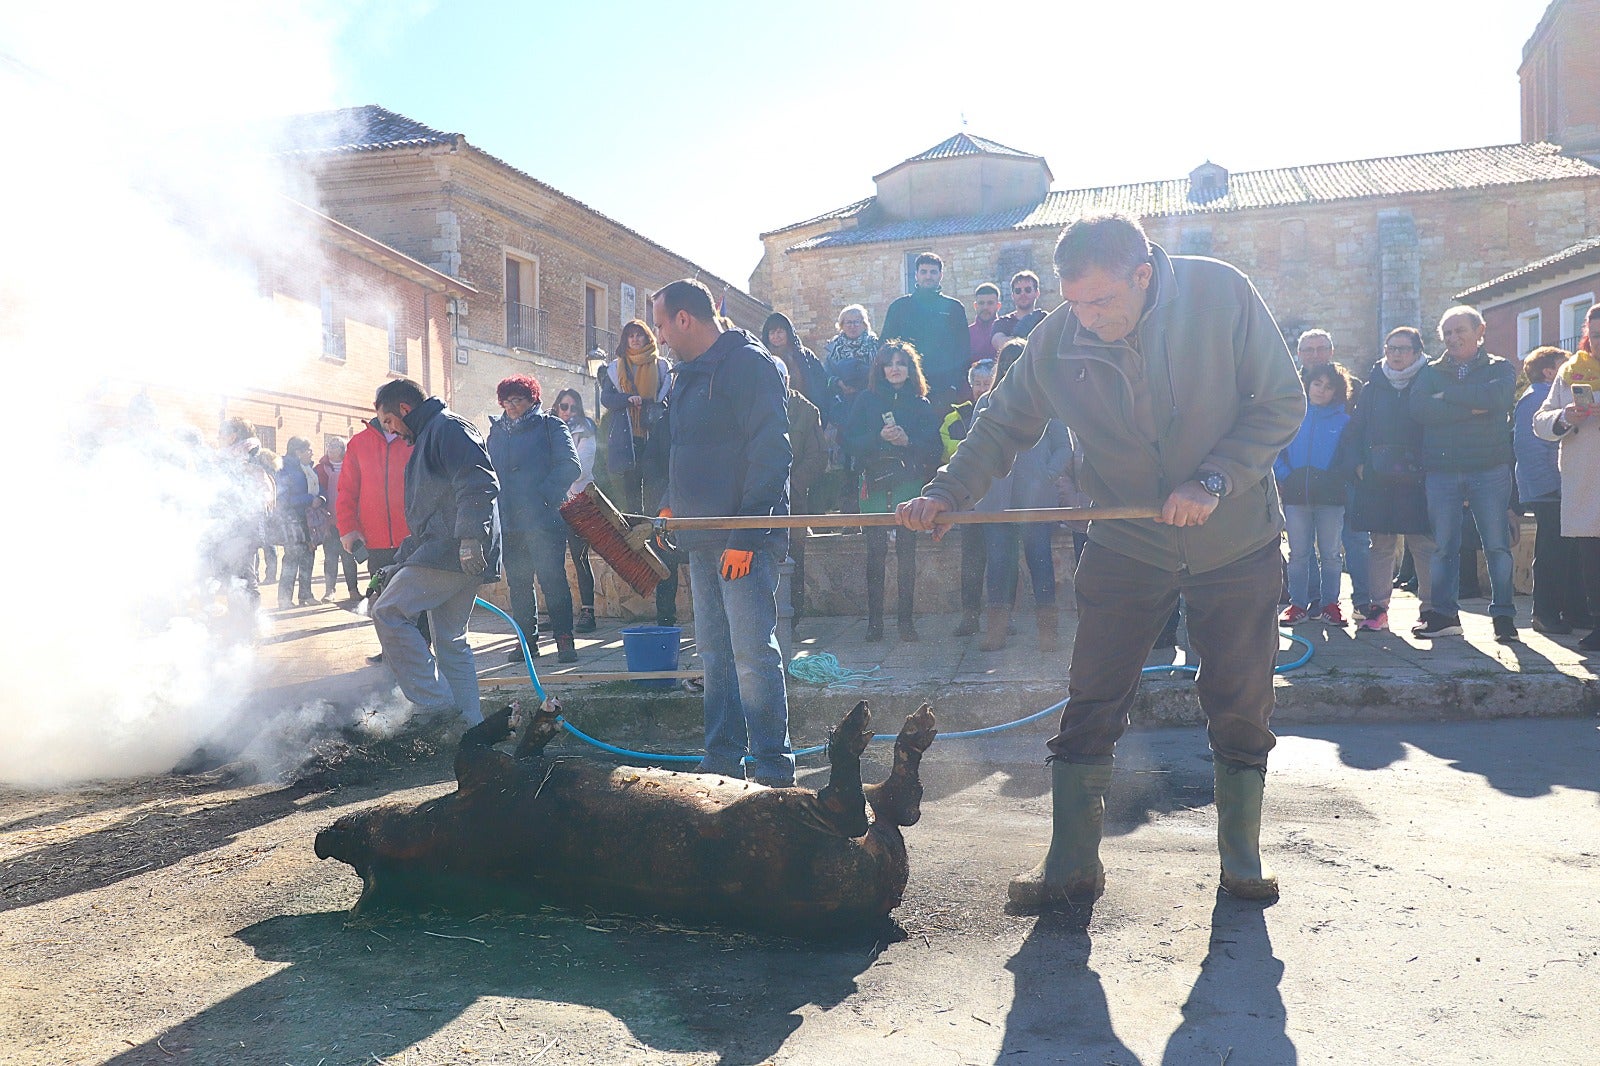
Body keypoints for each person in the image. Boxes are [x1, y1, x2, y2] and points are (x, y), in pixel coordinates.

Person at [898, 212, 1304, 906]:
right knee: (1090, 699)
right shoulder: (1058, 339)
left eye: (1102, 301)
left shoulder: (1221, 296)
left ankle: (1241, 858)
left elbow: (1281, 402)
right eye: (1074, 301)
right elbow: (1001, 423)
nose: (1086, 318)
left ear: (1143, 275)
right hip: (1125, 543)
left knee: (1239, 703)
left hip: (1235, 540)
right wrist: (945, 491)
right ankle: (1072, 865)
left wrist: (1213, 479)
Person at [651, 279, 794, 785]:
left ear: (685, 318)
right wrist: (672, 501)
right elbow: (683, 448)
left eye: (662, 323)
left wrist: (746, 536)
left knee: (752, 652)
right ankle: (721, 760)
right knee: (714, 654)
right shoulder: (686, 376)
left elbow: (772, 453)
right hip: (701, 538)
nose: (660, 336)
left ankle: (774, 768)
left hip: (743, 541)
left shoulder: (750, 365)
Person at [369, 377, 501, 725]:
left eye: (389, 422)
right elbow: (428, 519)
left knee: (388, 612)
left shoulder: (447, 429)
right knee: (450, 642)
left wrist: (471, 539)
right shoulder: (433, 434)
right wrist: (397, 565)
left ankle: (435, 705)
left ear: (404, 410)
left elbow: (478, 482)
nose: (391, 431)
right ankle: (470, 728)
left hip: (453, 550)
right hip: (451, 549)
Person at [1408, 306, 1520, 643]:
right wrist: (1472, 407)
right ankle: (1444, 616)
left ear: (1479, 330)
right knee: (1444, 547)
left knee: (1497, 546)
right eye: (1448, 332)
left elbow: (1498, 399)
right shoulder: (1429, 372)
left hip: (1489, 468)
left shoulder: (1499, 368)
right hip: (1442, 471)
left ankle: (1504, 617)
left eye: (1460, 330)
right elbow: (1419, 409)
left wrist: (1448, 398)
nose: (1453, 338)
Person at [977, 338, 1070, 653]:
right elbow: (974, 448)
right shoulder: (987, 403)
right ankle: (996, 632)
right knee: (999, 565)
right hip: (996, 500)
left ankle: (1048, 633)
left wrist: (1047, 475)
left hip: (1035, 500)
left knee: (1040, 562)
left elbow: (1064, 448)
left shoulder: (1048, 402)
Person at [1342, 327, 1437, 634]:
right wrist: (1357, 464)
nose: (1396, 354)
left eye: (1403, 348)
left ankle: (1431, 610)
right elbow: (1357, 428)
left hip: (1419, 477)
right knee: (1381, 545)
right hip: (1379, 477)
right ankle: (1378, 609)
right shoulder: (1374, 386)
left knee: (1423, 544)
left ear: (1417, 351)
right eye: (1391, 348)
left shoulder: (1430, 380)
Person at [846, 340, 942, 642]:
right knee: (875, 555)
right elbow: (848, 442)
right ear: (881, 369)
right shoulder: (866, 400)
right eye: (890, 363)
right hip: (874, 484)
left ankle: (905, 622)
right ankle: (874, 623)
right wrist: (878, 437)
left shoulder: (920, 403)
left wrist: (907, 442)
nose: (895, 368)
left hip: (907, 485)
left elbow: (934, 449)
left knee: (906, 555)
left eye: (901, 363)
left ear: (910, 369)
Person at [487, 374, 581, 664]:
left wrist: (543, 497)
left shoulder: (551, 426)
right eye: (507, 401)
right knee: (518, 583)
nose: (511, 406)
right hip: (510, 521)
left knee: (553, 580)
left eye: (518, 400)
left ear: (533, 400)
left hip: (544, 520)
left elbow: (570, 466)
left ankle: (564, 639)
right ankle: (526, 641)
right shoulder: (496, 432)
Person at [1534, 302, 1600, 652]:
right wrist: (1565, 416)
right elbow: (1541, 420)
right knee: (1591, 555)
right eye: (1597, 335)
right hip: (1586, 477)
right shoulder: (1571, 372)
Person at [338, 404, 421, 665]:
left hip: (414, 536)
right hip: (374, 540)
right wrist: (348, 529)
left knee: (418, 598)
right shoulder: (358, 443)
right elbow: (346, 491)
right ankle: (391, 651)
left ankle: (421, 650)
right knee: (383, 600)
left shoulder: (415, 438)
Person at [1297, 329, 1370, 615]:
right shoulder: (1290, 386)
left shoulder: (1352, 386)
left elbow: (1362, 428)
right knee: (1305, 547)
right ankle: (1315, 600)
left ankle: (1361, 603)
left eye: (1321, 348)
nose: (1315, 354)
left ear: (1331, 351)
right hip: (1303, 477)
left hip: (1346, 476)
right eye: (1309, 350)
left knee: (1355, 540)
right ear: (1300, 355)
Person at [1276, 364, 1354, 627]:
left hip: (1330, 499)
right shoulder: (1293, 415)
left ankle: (1330, 604)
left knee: (1331, 553)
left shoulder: (1344, 421)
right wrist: (1286, 476)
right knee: (1298, 553)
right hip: (1296, 497)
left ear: (1337, 391)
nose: (1322, 390)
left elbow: (1348, 459)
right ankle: (1297, 604)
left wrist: (1334, 480)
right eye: (1317, 384)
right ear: (1307, 385)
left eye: (1329, 386)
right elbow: (1276, 450)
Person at [1515, 347, 1586, 635]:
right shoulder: (1538, 398)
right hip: (1551, 489)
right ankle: (1545, 614)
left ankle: (1574, 612)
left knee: (1568, 553)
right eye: (1563, 365)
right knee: (1552, 553)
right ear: (1548, 371)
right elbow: (1532, 448)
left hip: (1554, 487)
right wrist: (1556, 486)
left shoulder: (1538, 396)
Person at [940, 359, 998, 638]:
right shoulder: (956, 417)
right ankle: (970, 615)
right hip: (968, 500)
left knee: (1001, 557)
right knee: (972, 560)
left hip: (997, 498)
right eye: (977, 384)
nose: (981, 389)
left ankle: (1002, 616)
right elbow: (948, 453)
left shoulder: (1000, 410)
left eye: (987, 383)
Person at [600, 319, 672, 513]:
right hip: (627, 437)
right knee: (630, 492)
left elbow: (667, 397)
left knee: (653, 488)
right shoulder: (615, 368)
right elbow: (606, 398)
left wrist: (650, 404)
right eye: (630, 336)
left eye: (639, 334)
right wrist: (627, 399)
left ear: (648, 336)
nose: (635, 339)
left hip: (653, 433)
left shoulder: (662, 366)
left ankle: (651, 535)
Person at [880, 252, 969, 409]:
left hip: (943, 389)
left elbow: (963, 349)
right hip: (906, 388)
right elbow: (885, 347)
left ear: (940, 275)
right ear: (916, 275)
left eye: (933, 272)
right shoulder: (899, 307)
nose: (928, 276)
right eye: (924, 272)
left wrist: (954, 385)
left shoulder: (954, 308)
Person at [553, 388, 599, 633]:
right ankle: (559, 612)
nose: (568, 411)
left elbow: (580, 468)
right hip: (555, 501)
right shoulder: (550, 430)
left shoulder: (585, 431)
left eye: (572, 407)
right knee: (554, 561)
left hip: (579, 501)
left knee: (581, 558)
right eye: (563, 406)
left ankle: (588, 611)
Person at [275, 436, 319, 608]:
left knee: (308, 556)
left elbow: (317, 487)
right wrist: (309, 499)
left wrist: (320, 498)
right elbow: (283, 499)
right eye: (308, 450)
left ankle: (305, 595)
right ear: (298, 452)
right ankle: (284, 599)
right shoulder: (284, 469)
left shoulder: (306, 468)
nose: (311, 453)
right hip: (292, 520)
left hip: (308, 520)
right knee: (292, 558)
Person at [314, 437, 359, 603]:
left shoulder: (352, 466)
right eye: (329, 446)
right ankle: (329, 591)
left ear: (342, 449)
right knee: (330, 556)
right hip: (329, 521)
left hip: (348, 520)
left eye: (335, 447)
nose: (331, 449)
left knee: (349, 556)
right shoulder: (320, 469)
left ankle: (353, 590)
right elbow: (316, 489)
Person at [763, 312, 828, 414]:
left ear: (788, 333)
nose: (776, 336)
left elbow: (821, 381)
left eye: (780, 332)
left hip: (804, 412)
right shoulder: (764, 358)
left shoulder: (804, 355)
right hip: (775, 412)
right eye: (772, 333)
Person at [991, 270, 1048, 352]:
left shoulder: (1045, 319)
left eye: (1028, 290)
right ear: (1013, 295)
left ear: (1037, 293)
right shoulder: (1002, 323)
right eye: (1018, 291)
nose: (1022, 294)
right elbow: (1000, 344)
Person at [823, 304, 880, 383]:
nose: (852, 326)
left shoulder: (875, 345)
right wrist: (838, 383)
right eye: (849, 322)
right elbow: (826, 375)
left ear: (864, 325)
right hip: (841, 393)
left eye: (856, 322)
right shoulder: (833, 348)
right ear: (842, 325)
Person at [969, 283, 1002, 365]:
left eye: (990, 303)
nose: (985, 307)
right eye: (981, 303)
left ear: (998, 306)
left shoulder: (1006, 331)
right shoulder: (966, 334)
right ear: (975, 306)